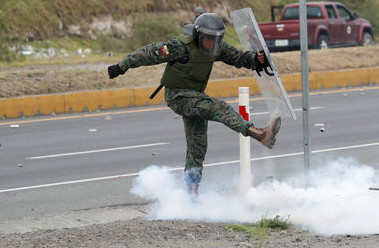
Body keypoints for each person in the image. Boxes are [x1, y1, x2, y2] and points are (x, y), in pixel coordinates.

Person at [106, 13, 281, 198]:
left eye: (216, 39)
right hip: (177, 96)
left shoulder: (216, 46)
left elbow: (239, 58)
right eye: (208, 39)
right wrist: (121, 66)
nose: (212, 43)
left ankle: (192, 196)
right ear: (198, 36)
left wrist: (256, 59)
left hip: (195, 97)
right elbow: (148, 53)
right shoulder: (179, 47)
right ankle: (259, 134)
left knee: (197, 147)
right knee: (217, 107)